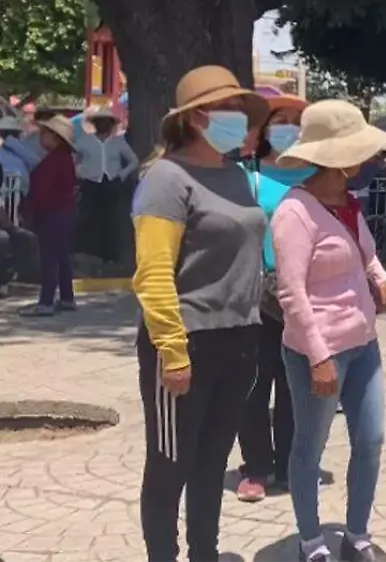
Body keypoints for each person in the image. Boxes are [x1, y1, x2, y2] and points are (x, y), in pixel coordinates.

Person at [131, 65, 268, 562]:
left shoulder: (235, 175)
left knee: (212, 464)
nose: (236, 118)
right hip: (187, 343)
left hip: (240, 340)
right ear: (195, 118)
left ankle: (203, 553)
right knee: (170, 465)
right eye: (226, 109)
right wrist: (172, 350)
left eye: (239, 109)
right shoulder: (166, 178)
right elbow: (153, 273)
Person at [272, 100, 386, 562]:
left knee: (371, 440)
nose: (365, 160)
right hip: (315, 351)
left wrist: (379, 276)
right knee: (310, 446)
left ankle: (357, 533)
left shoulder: (349, 205)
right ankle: (310, 538)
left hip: (363, 345)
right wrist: (319, 357)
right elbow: (291, 292)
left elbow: (365, 255)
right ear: (336, 158)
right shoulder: (295, 212)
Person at [233, 93, 311, 503]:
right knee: (254, 383)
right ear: (263, 130)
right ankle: (257, 467)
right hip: (253, 294)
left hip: (308, 296)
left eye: (295, 120)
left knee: (296, 385)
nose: (286, 128)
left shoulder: (322, 175)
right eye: (278, 120)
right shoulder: (249, 174)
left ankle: (290, 465)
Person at [19, 115, 79, 317]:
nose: (40, 137)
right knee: (61, 255)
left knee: (50, 257)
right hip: (63, 211)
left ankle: (46, 301)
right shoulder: (62, 158)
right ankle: (66, 297)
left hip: (53, 212)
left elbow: (43, 190)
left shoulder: (56, 160)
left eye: (44, 133)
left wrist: (29, 209)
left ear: (54, 137)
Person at [74, 104, 138, 264]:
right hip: (91, 184)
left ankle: (109, 256)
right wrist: (80, 173)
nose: (103, 124)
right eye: (100, 121)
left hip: (111, 184)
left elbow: (133, 161)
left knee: (111, 219)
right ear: (95, 123)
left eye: (106, 121)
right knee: (89, 218)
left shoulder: (118, 143)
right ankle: (88, 253)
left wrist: (120, 176)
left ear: (111, 124)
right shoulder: (84, 141)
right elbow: (73, 158)